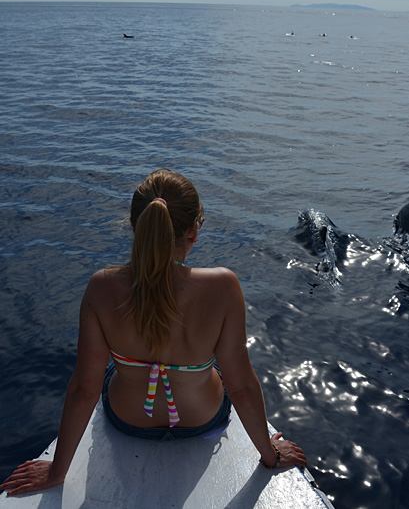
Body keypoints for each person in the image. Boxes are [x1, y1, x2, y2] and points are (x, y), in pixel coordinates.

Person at [1, 168, 307, 496]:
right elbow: (242, 387)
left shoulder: (101, 286)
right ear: (193, 231)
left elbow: (84, 388)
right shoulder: (223, 286)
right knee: (212, 370)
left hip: (129, 420)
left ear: (137, 226)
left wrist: (57, 471)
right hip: (201, 420)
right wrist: (270, 455)